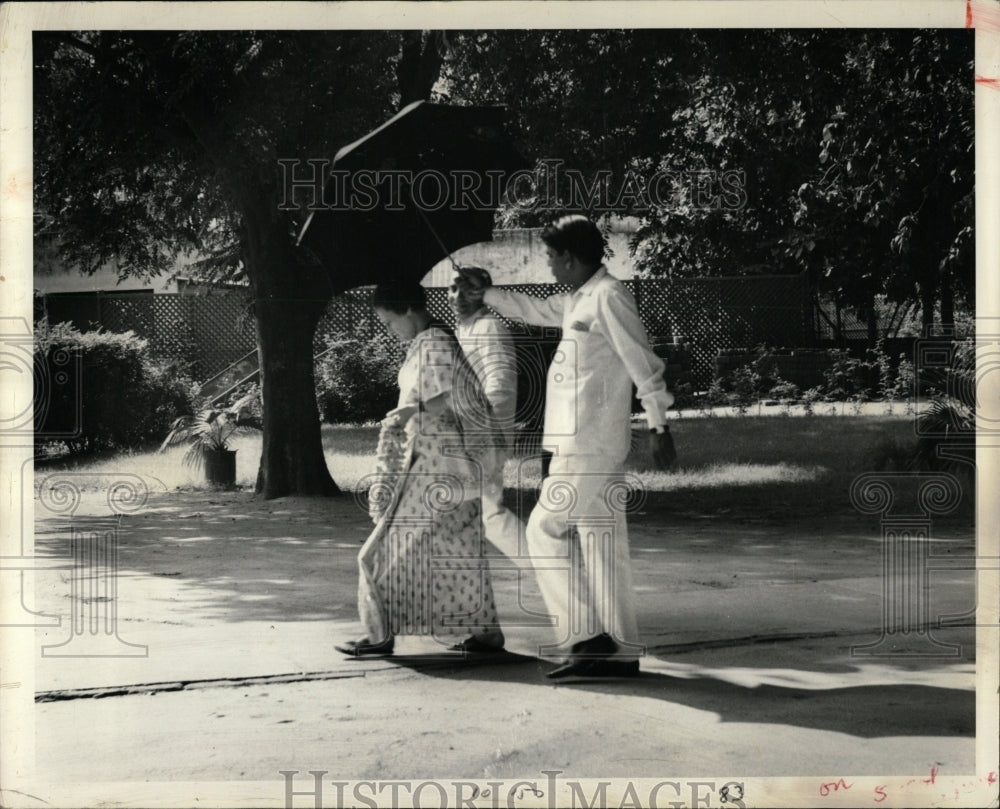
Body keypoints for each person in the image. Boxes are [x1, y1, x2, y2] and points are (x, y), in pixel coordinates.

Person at [458, 215, 676, 680]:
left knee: (543, 530)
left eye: (552, 258)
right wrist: (487, 292)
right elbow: (534, 310)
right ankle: (619, 651)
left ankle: (585, 637)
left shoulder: (609, 297)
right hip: (582, 443)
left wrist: (660, 424)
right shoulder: (581, 297)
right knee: (602, 545)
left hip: (590, 443)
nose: (550, 266)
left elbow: (643, 362)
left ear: (572, 258)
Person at [335, 280, 506, 657]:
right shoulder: (429, 341)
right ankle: (486, 633)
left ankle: (379, 633)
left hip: (434, 463)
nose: (389, 329)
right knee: (459, 547)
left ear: (409, 311)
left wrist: (414, 411)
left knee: (381, 549)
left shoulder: (433, 342)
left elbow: (454, 395)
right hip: (445, 464)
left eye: (390, 321)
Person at [446, 269, 526, 562]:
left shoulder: (490, 327)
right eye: (453, 289)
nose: (457, 296)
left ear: (482, 293)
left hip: (485, 436)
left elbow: (501, 384)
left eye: (466, 289)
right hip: (465, 433)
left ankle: (546, 571)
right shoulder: (463, 330)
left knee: (489, 512)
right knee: (474, 511)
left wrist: (492, 437)